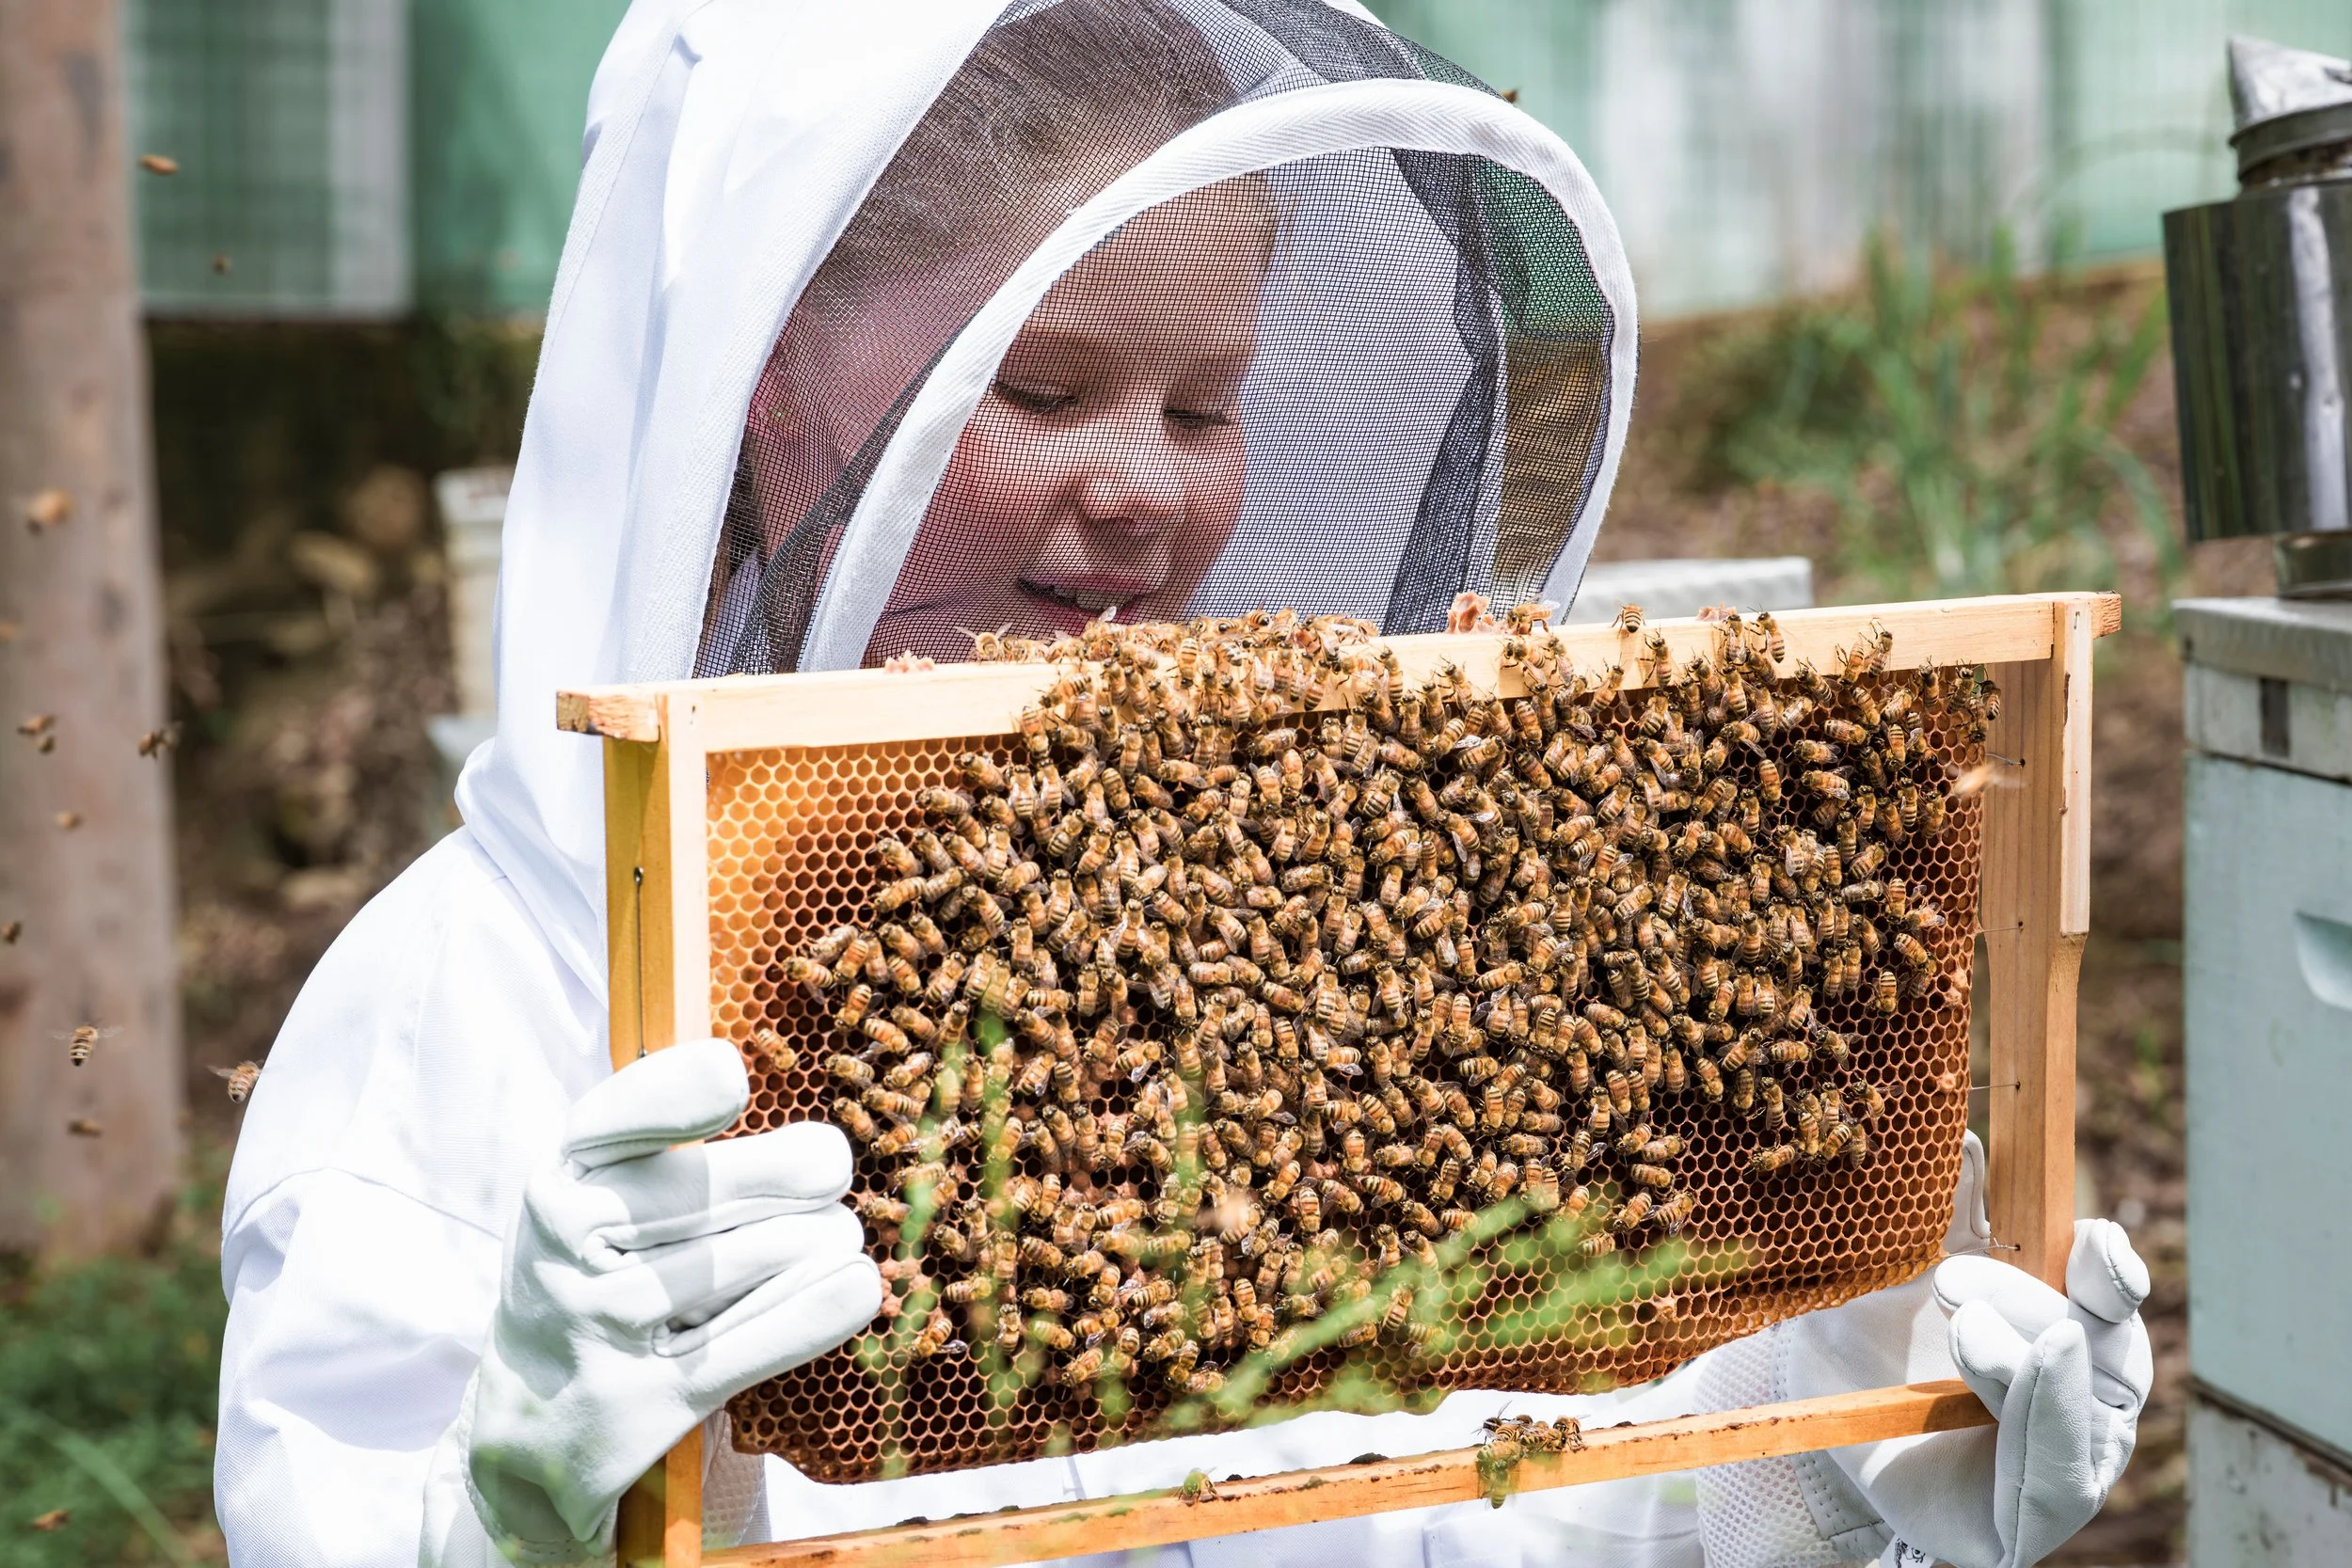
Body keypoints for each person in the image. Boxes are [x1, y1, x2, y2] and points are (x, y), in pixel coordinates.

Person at [214, 5, 2151, 1567]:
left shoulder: (1297, 938)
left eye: (1202, 404)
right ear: (766, 379)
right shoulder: (465, 1010)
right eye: (1042, 388)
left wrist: (1820, 1464)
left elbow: (1460, 1511)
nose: (1143, 485)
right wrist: (489, 1523)